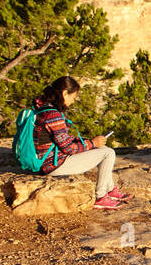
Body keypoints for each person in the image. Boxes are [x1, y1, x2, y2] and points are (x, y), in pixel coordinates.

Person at [28, 76, 131, 210]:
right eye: (73, 97)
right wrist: (92, 144)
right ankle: (101, 197)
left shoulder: (42, 109)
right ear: (64, 93)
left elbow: (59, 139)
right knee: (108, 153)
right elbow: (68, 148)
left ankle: (110, 189)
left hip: (46, 160)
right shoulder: (53, 115)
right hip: (53, 165)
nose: (72, 101)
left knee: (103, 148)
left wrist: (89, 142)